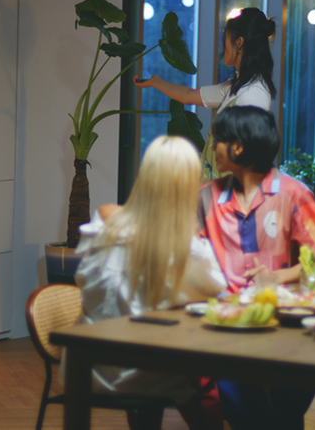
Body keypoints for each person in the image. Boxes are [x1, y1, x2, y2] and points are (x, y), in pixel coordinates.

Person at [71, 135, 228, 430]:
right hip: (146, 375)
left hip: (87, 368)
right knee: (208, 385)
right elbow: (218, 293)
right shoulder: (188, 248)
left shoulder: (104, 222)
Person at [198, 106, 315, 430]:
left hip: (285, 323)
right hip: (227, 326)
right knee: (246, 403)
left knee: (289, 401)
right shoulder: (206, 197)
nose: (213, 147)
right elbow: (182, 252)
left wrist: (279, 276)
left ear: (239, 146)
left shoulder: (292, 193)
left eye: (218, 140)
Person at [134, 7, 277, 180]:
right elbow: (189, 95)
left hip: (225, 197)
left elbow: (248, 157)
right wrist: (156, 82)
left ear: (239, 42)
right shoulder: (237, 86)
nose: (222, 44)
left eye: (225, 37)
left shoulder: (254, 94)